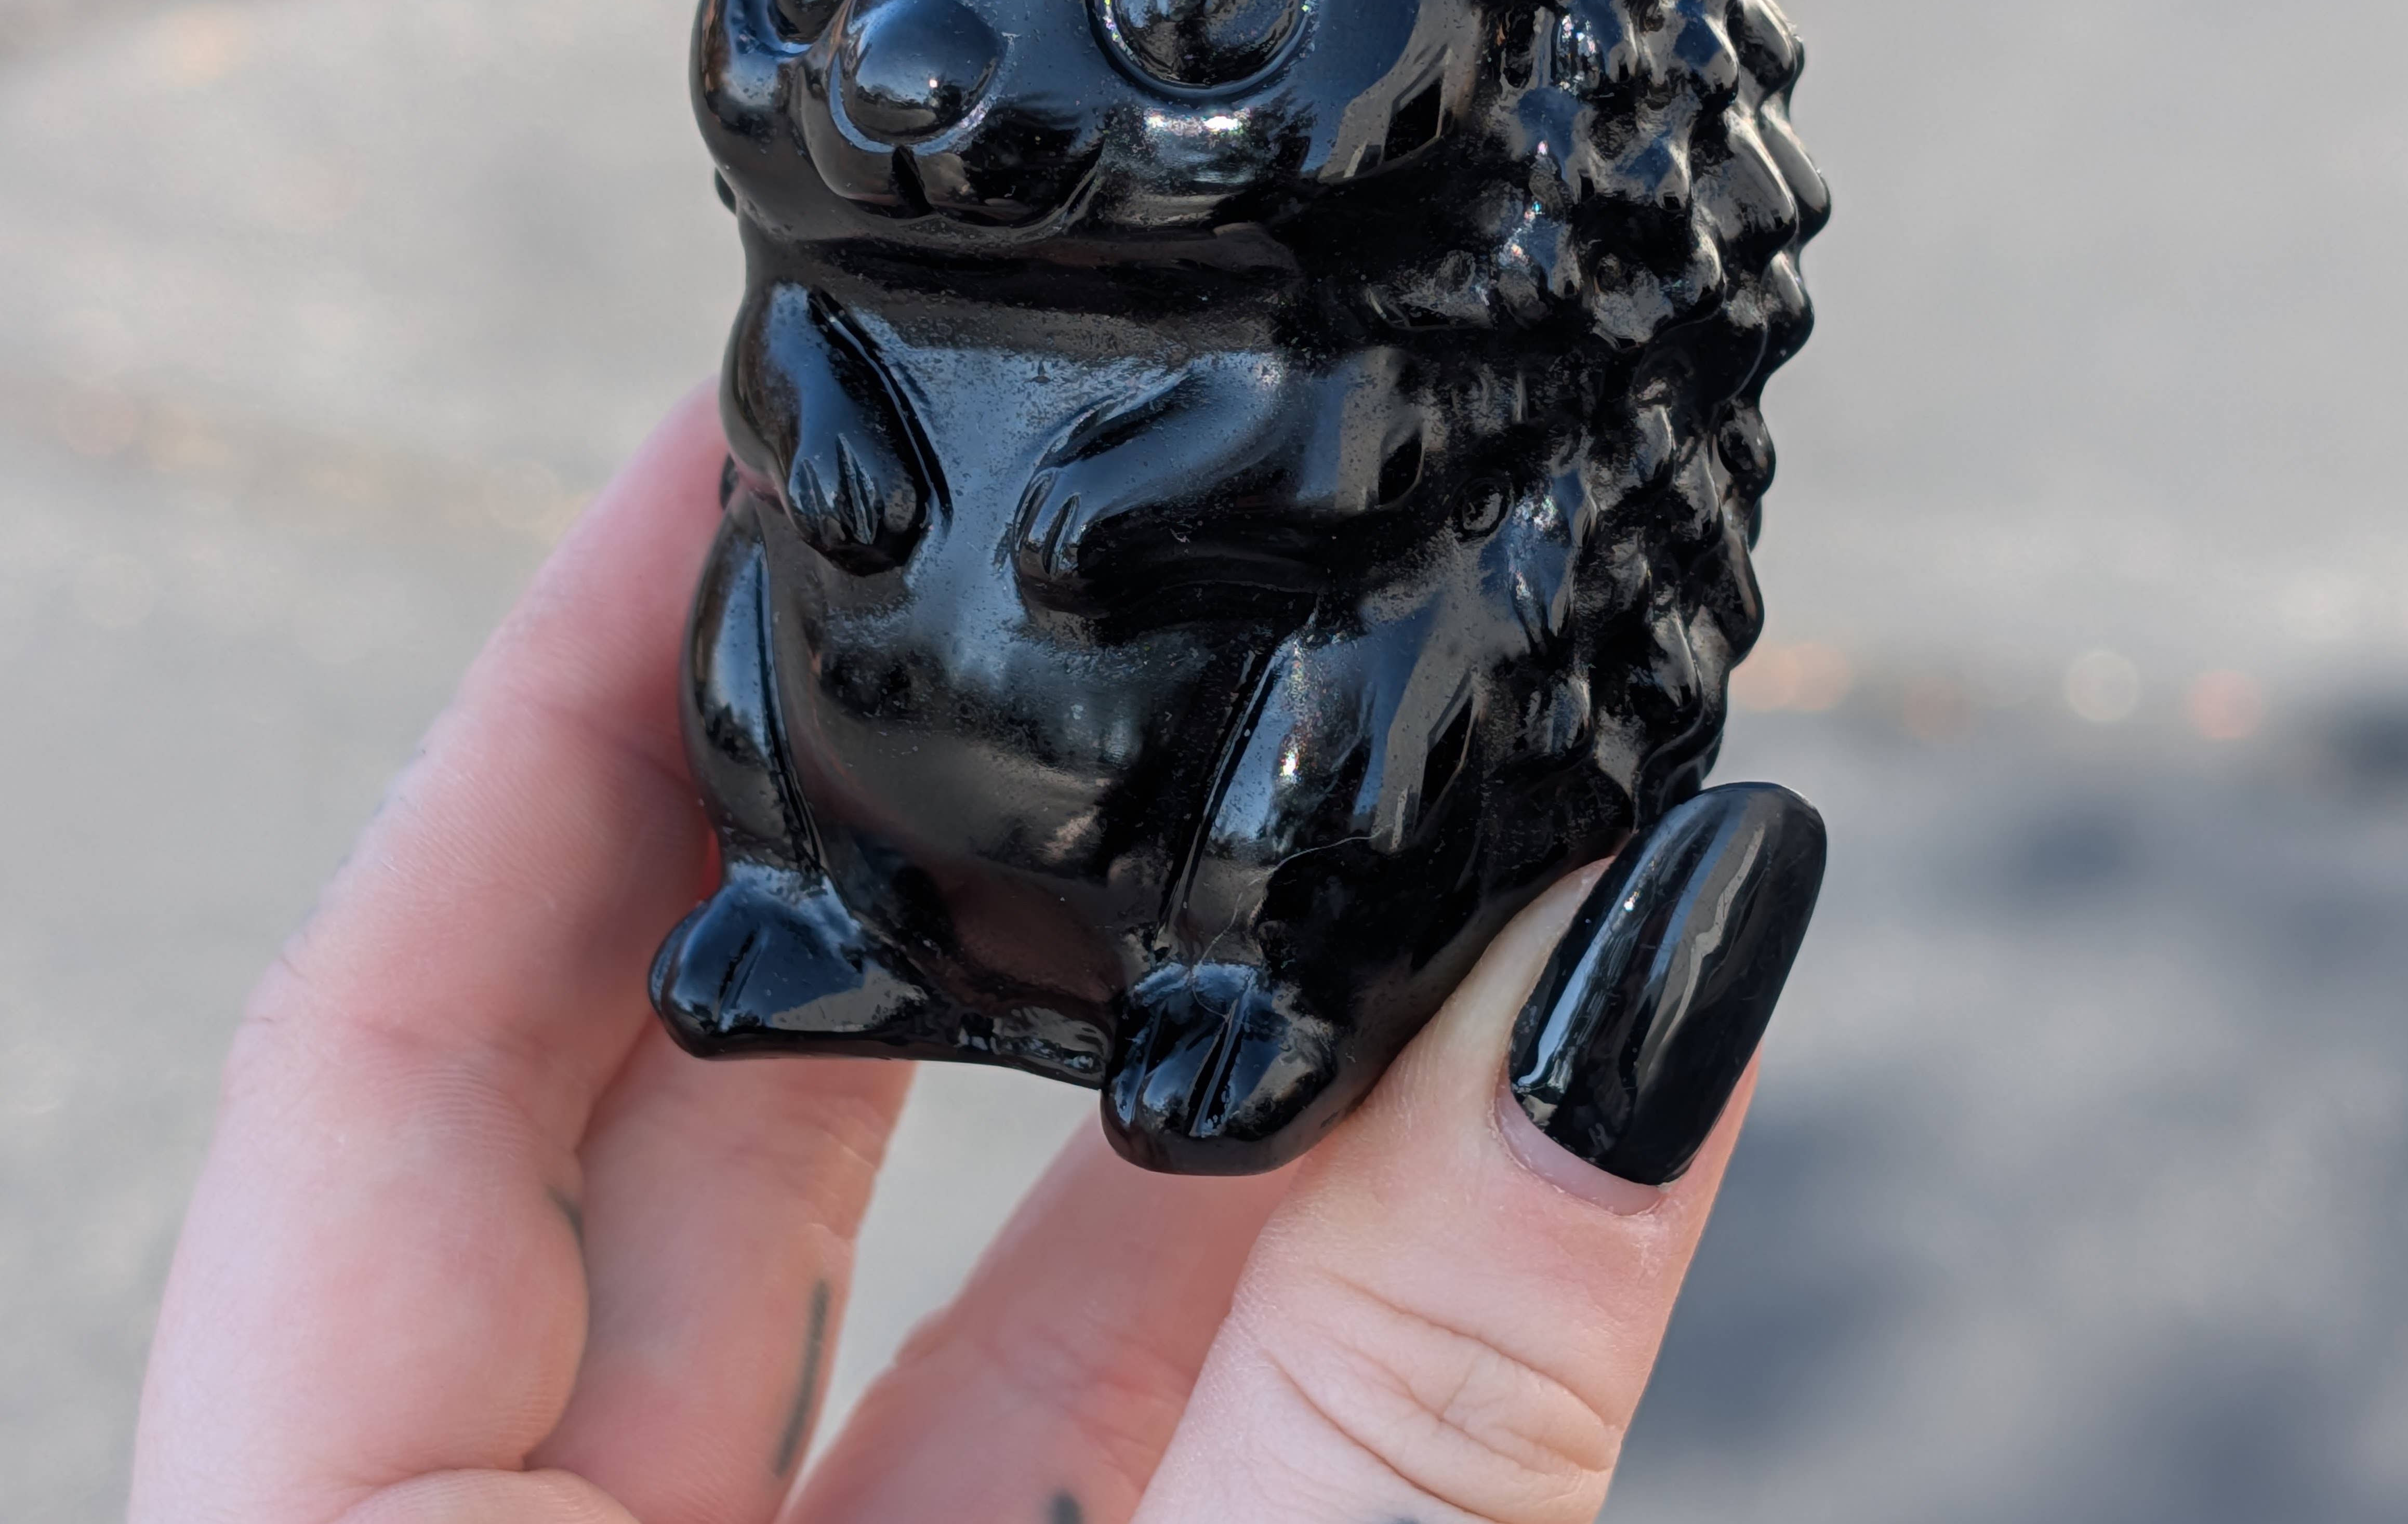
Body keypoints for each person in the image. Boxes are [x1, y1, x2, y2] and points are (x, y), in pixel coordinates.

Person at [128, 387, 1823, 1524]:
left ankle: (1252, 983)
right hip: (875, 774)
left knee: (1375, 666)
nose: (918, 83)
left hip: (1217, 799)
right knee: (752, 578)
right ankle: (805, 896)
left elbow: (1338, 442)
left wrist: (1116, 491)